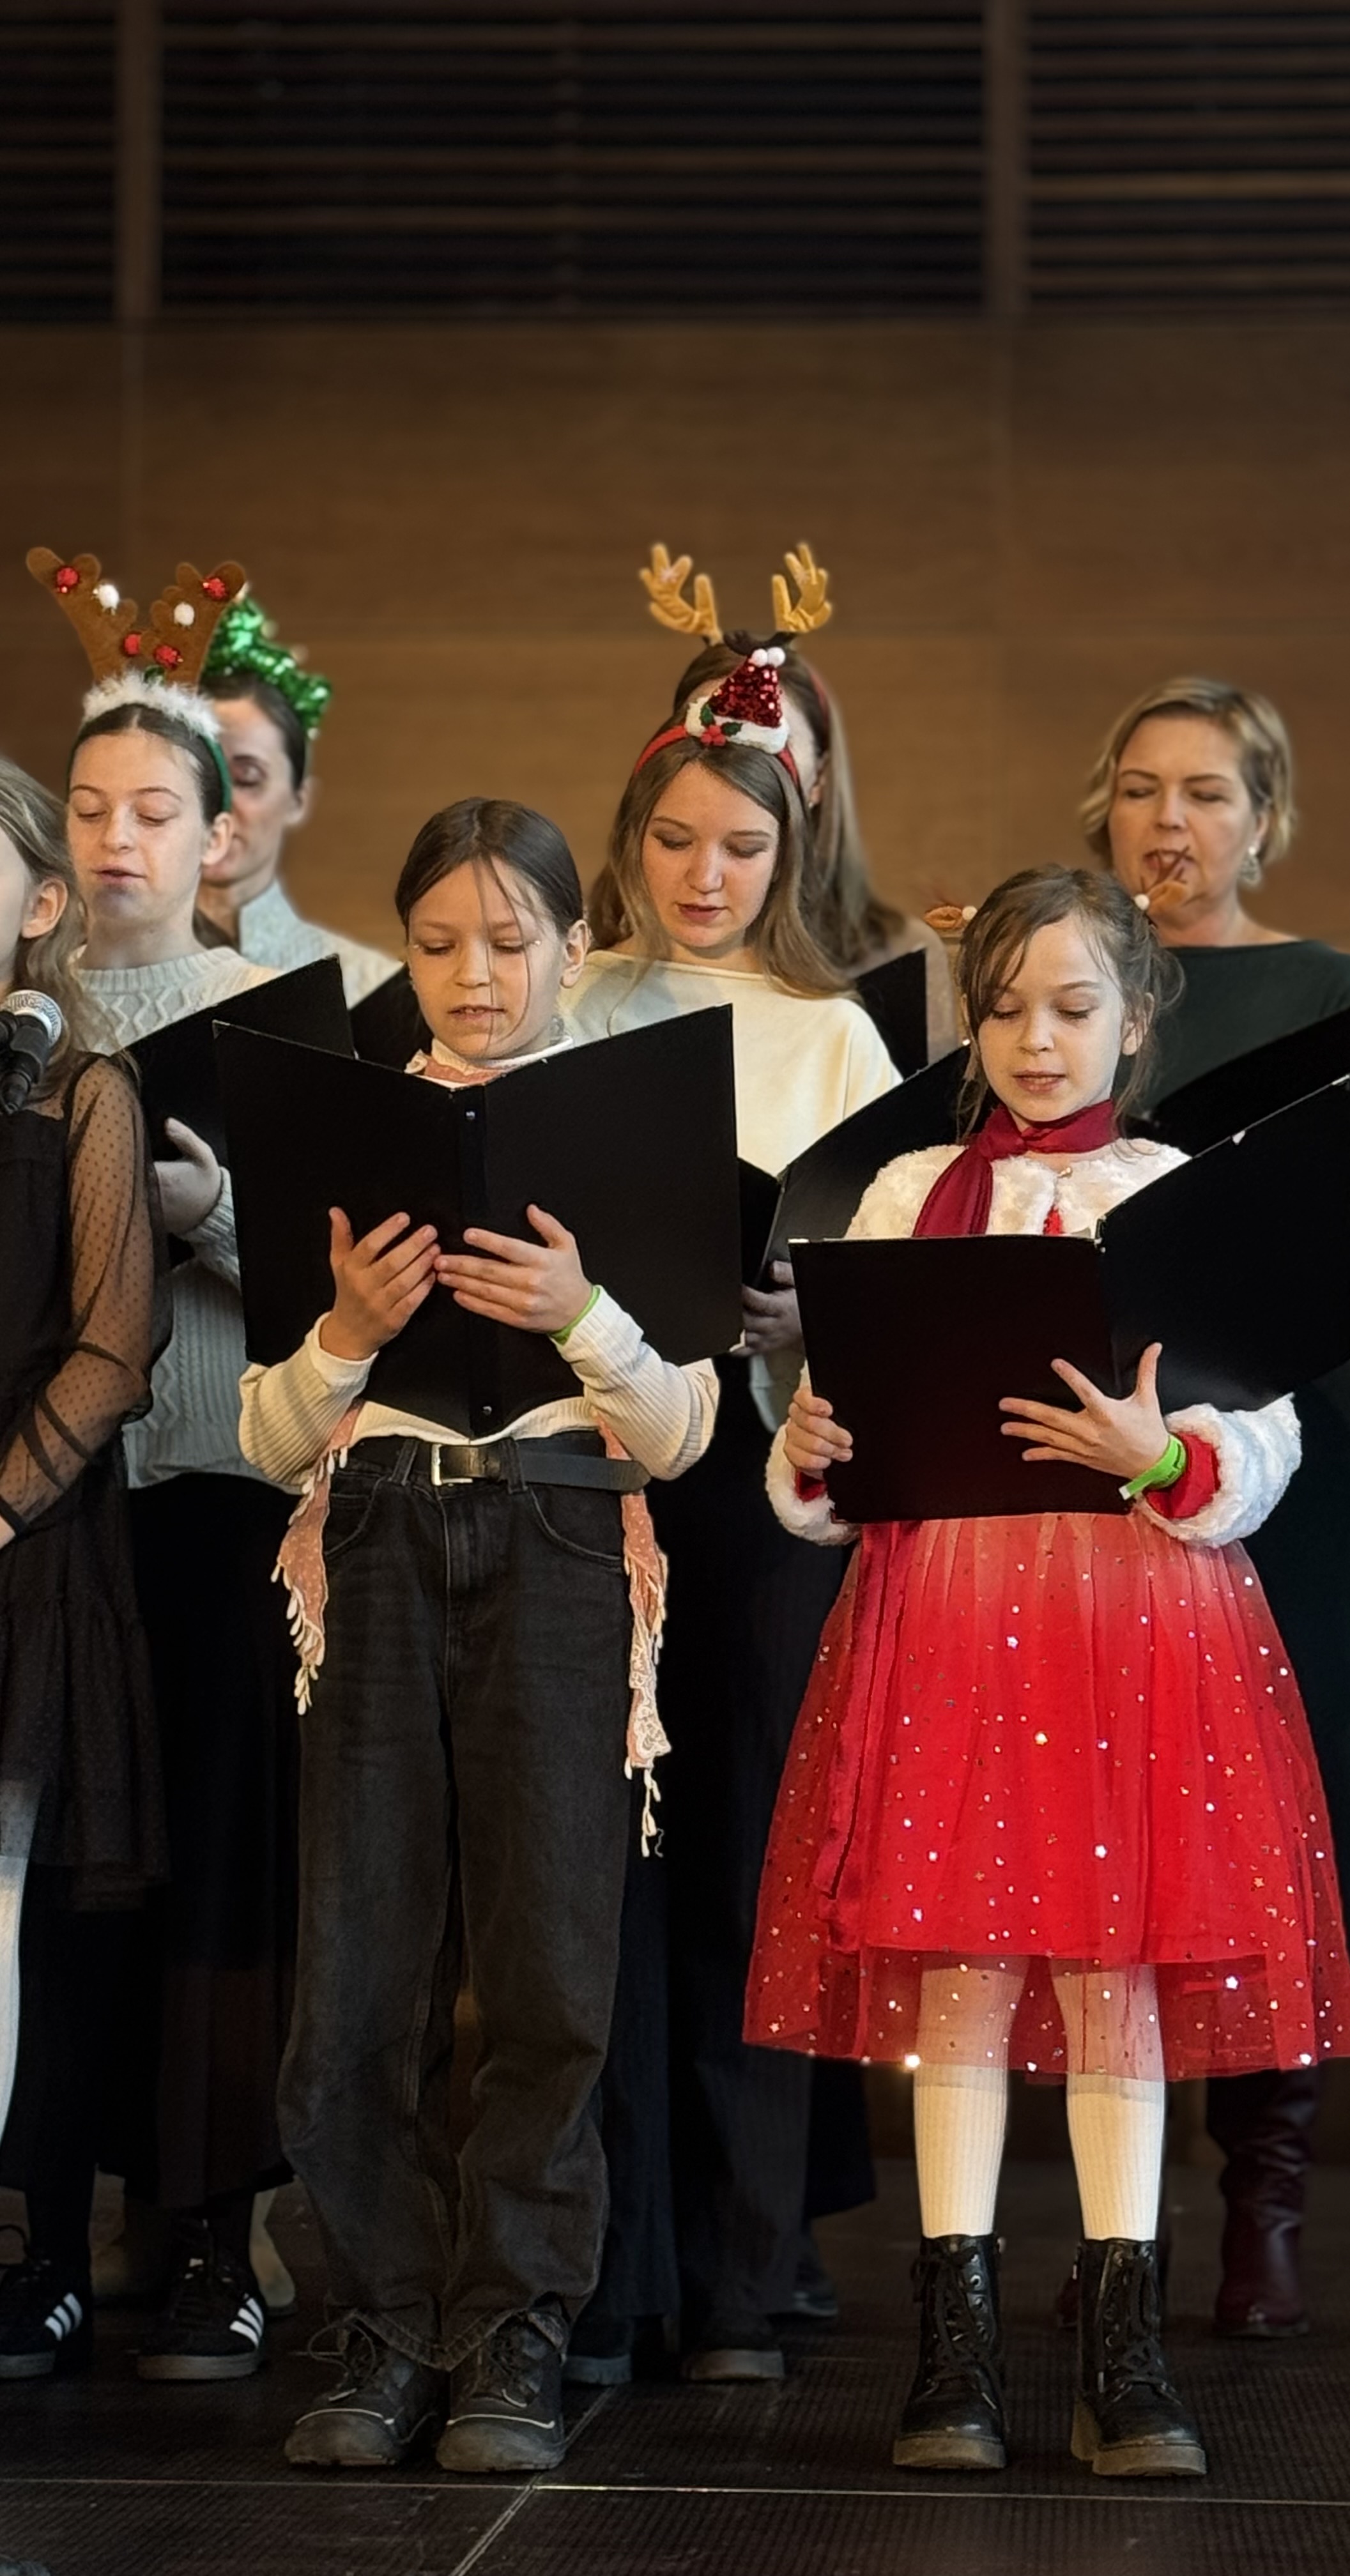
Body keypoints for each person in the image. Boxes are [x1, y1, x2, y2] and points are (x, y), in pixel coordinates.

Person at [746, 866, 1350, 2478]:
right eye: (1007, 1009)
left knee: (1115, 1976)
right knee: (959, 1969)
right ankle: (952, 2348)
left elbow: (1265, 1432)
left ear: (1138, 1019)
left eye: (1075, 1008)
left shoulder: (1179, 1189)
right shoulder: (907, 1193)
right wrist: (813, 1442)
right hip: (951, 1623)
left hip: (1133, 1630)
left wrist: (1157, 1452)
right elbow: (841, 1440)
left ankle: (1123, 2347)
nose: (1037, 1039)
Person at [238, 797, 717, 2473]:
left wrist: (584, 1316)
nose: (475, 975)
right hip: (376, 1538)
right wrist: (344, 1334)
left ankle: (514, 2327)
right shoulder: (350, 1133)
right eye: (437, 944)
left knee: (548, 1967)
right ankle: (381, 2321)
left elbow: (683, 1435)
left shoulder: (632, 1132)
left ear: (574, 947)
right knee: (356, 1964)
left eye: (510, 942)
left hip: (562, 1544)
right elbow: (264, 1437)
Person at [562, 642, 898, 2382]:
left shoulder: (831, 1028)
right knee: (595, 1879)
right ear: (631, 839)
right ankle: (609, 2267)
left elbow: (887, 1278)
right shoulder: (569, 996)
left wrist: (799, 1309)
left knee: (746, 1867)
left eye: (742, 848)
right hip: (587, 1479)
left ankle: (744, 2275)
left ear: (793, 852)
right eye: (676, 841)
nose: (705, 877)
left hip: (756, 1490)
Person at [1084, 675, 1350, 2336]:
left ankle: (1261, 2204)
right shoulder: (1067, 973)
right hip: (1102, 1445)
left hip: (1289, 1443)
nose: (1170, 821)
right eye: (1142, 788)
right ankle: (1119, 2216)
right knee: (1122, 1817)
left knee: (1287, 1815)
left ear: (1261, 819)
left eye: (1206, 792)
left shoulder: (1324, 989)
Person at [46, 598, 302, 2380]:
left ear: (220, 834)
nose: (118, 840)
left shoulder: (267, 1024)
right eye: (88, 810)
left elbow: (345, 1287)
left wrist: (215, 1218)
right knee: (75, 1867)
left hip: (219, 1481)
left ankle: (216, 2230)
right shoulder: (27, 1020)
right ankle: (57, 2225)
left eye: (156, 810)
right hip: (63, 1501)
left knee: (217, 1859)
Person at [0, 757, 167, 2378]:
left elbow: (115, 1345)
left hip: (25, 1540)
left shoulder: (79, 1091)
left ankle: (16, 2243)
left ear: (41, 905)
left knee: (0, 1913)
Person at [639, 543, 958, 1060]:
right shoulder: (595, 958)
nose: (737, 760)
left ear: (818, 779)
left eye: (769, 740)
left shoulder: (894, 956)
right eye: (716, 726)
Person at [198, 593, 396, 1000]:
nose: (219, 803)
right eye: (199, 776)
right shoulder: (81, 976)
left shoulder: (370, 988)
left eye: (247, 778)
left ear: (298, 800)